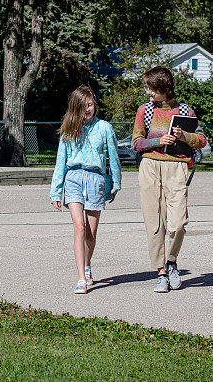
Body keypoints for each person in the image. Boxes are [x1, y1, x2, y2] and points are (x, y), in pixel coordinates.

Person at [131, 66, 207, 293]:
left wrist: (185, 136)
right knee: (155, 224)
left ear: (164, 89)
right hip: (150, 167)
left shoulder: (185, 111)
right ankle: (161, 273)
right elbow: (135, 143)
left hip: (177, 167)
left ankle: (171, 261)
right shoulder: (144, 111)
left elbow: (202, 140)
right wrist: (156, 141)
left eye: (152, 88)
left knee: (178, 223)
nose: (148, 93)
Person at [50, 85, 122, 294]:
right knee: (79, 228)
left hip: (95, 180)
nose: (87, 110)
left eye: (90, 105)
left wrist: (115, 183)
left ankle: (88, 266)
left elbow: (113, 158)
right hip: (73, 178)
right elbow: (60, 161)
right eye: (83, 106)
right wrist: (56, 191)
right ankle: (81, 278)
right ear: (76, 109)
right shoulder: (69, 129)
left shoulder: (105, 128)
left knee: (90, 234)